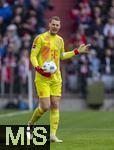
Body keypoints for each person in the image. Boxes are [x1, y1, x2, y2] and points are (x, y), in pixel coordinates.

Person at [28, 16, 90, 142]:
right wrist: (38, 68)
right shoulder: (40, 38)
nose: (55, 26)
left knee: (55, 104)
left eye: (57, 25)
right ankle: (30, 125)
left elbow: (61, 56)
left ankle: (52, 135)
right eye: (53, 24)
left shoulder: (60, 40)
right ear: (49, 24)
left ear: (59, 26)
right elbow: (33, 56)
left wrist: (77, 51)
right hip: (42, 78)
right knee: (45, 106)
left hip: (56, 78)